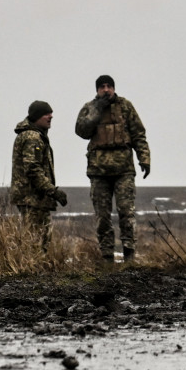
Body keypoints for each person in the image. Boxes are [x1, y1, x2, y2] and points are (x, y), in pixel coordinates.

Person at [73, 75, 149, 261]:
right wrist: (96, 112)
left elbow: (139, 134)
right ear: (97, 89)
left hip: (123, 169)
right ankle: (107, 257)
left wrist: (144, 159)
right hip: (99, 171)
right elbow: (81, 131)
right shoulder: (89, 108)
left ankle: (129, 255)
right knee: (102, 216)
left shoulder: (125, 106)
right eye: (102, 87)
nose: (106, 90)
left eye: (109, 86)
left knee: (126, 213)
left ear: (114, 88)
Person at [9, 100, 65, 246]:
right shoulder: (32, 138)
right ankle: (32, 268)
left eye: (51, 113)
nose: (50, 116)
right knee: (36, 241)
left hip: (35, 198)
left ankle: (38, 266)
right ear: (36, 117)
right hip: (32, 198)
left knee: (39, 239)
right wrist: (52, 191)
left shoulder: (34, 136)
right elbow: (33, 169)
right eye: (46, 114)